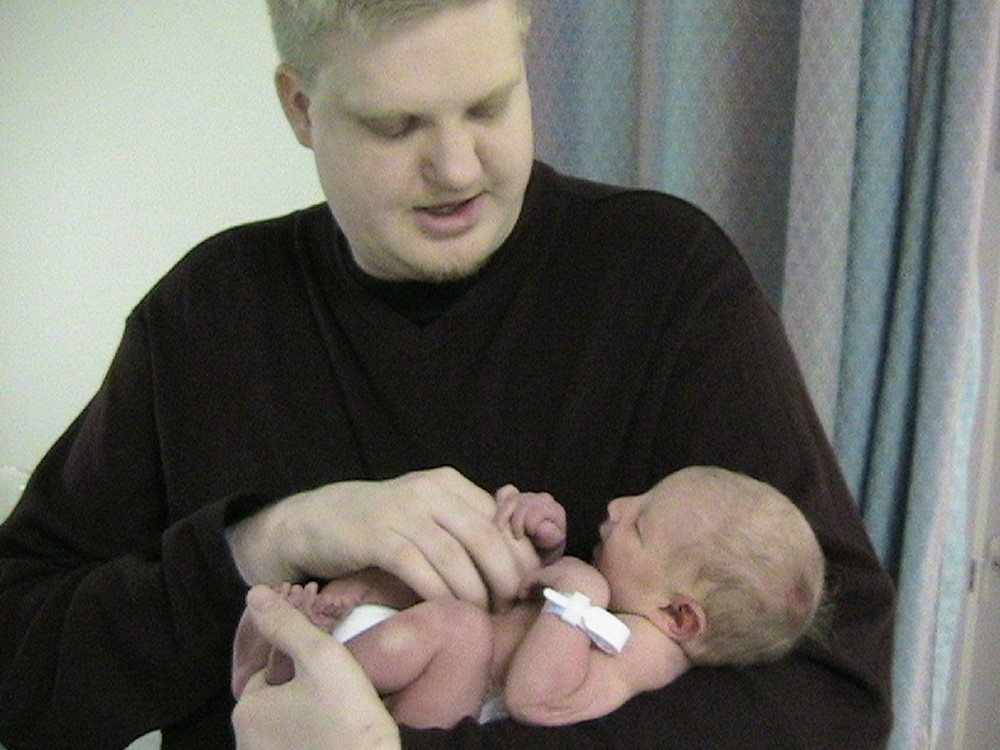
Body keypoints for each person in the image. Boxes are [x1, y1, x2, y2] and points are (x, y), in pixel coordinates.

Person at [0, 0, 895, 748]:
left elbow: (836, 689)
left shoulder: (666, 278)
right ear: (301, 107)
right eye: (396, 126)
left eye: (490, 106)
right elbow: (19, 667)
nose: (458, 169)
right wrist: (262, 541)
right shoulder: (207, 314)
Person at [231, 467, 827, 729]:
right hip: (421, 655)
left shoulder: (648, 653)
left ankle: (298, 675)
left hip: (438, 712)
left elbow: (538, 699)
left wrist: (577, 597)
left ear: (678, 616)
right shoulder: (630, 598)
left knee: (463, 626)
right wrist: (535, 538)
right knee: (406, 569)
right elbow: (525, 603)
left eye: (641, 524)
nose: (618, 507)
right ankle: (277, 656)